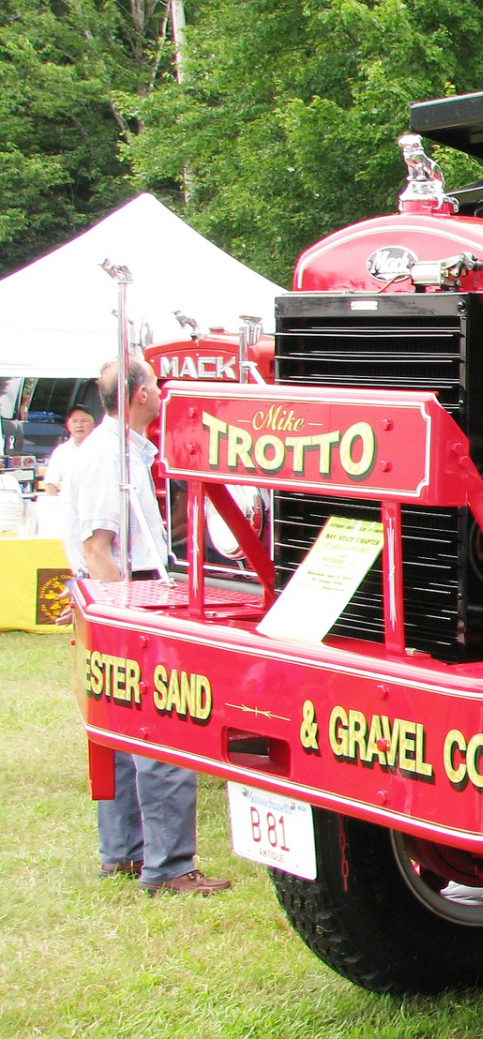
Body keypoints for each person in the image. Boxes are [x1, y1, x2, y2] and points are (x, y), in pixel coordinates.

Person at [67, 359, 232, 896]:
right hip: (129, 601)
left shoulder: (127, 453)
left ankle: (126, 854)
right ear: (139, 395)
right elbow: (98, 550)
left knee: (119, 733)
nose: (162, 394)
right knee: (162, 732)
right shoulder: (107, 458)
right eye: (156, 387)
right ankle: (167, 867)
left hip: (127, 598)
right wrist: (124, 617)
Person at [38, 404, 95, 564]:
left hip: (96, 512)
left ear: (93, 424)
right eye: (75, 421)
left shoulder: (99, 449)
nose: (79, 425)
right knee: (76, 558)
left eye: (84, 421)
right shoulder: (62, 452)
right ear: (68, 425)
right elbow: (50, 483)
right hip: (71, 514)